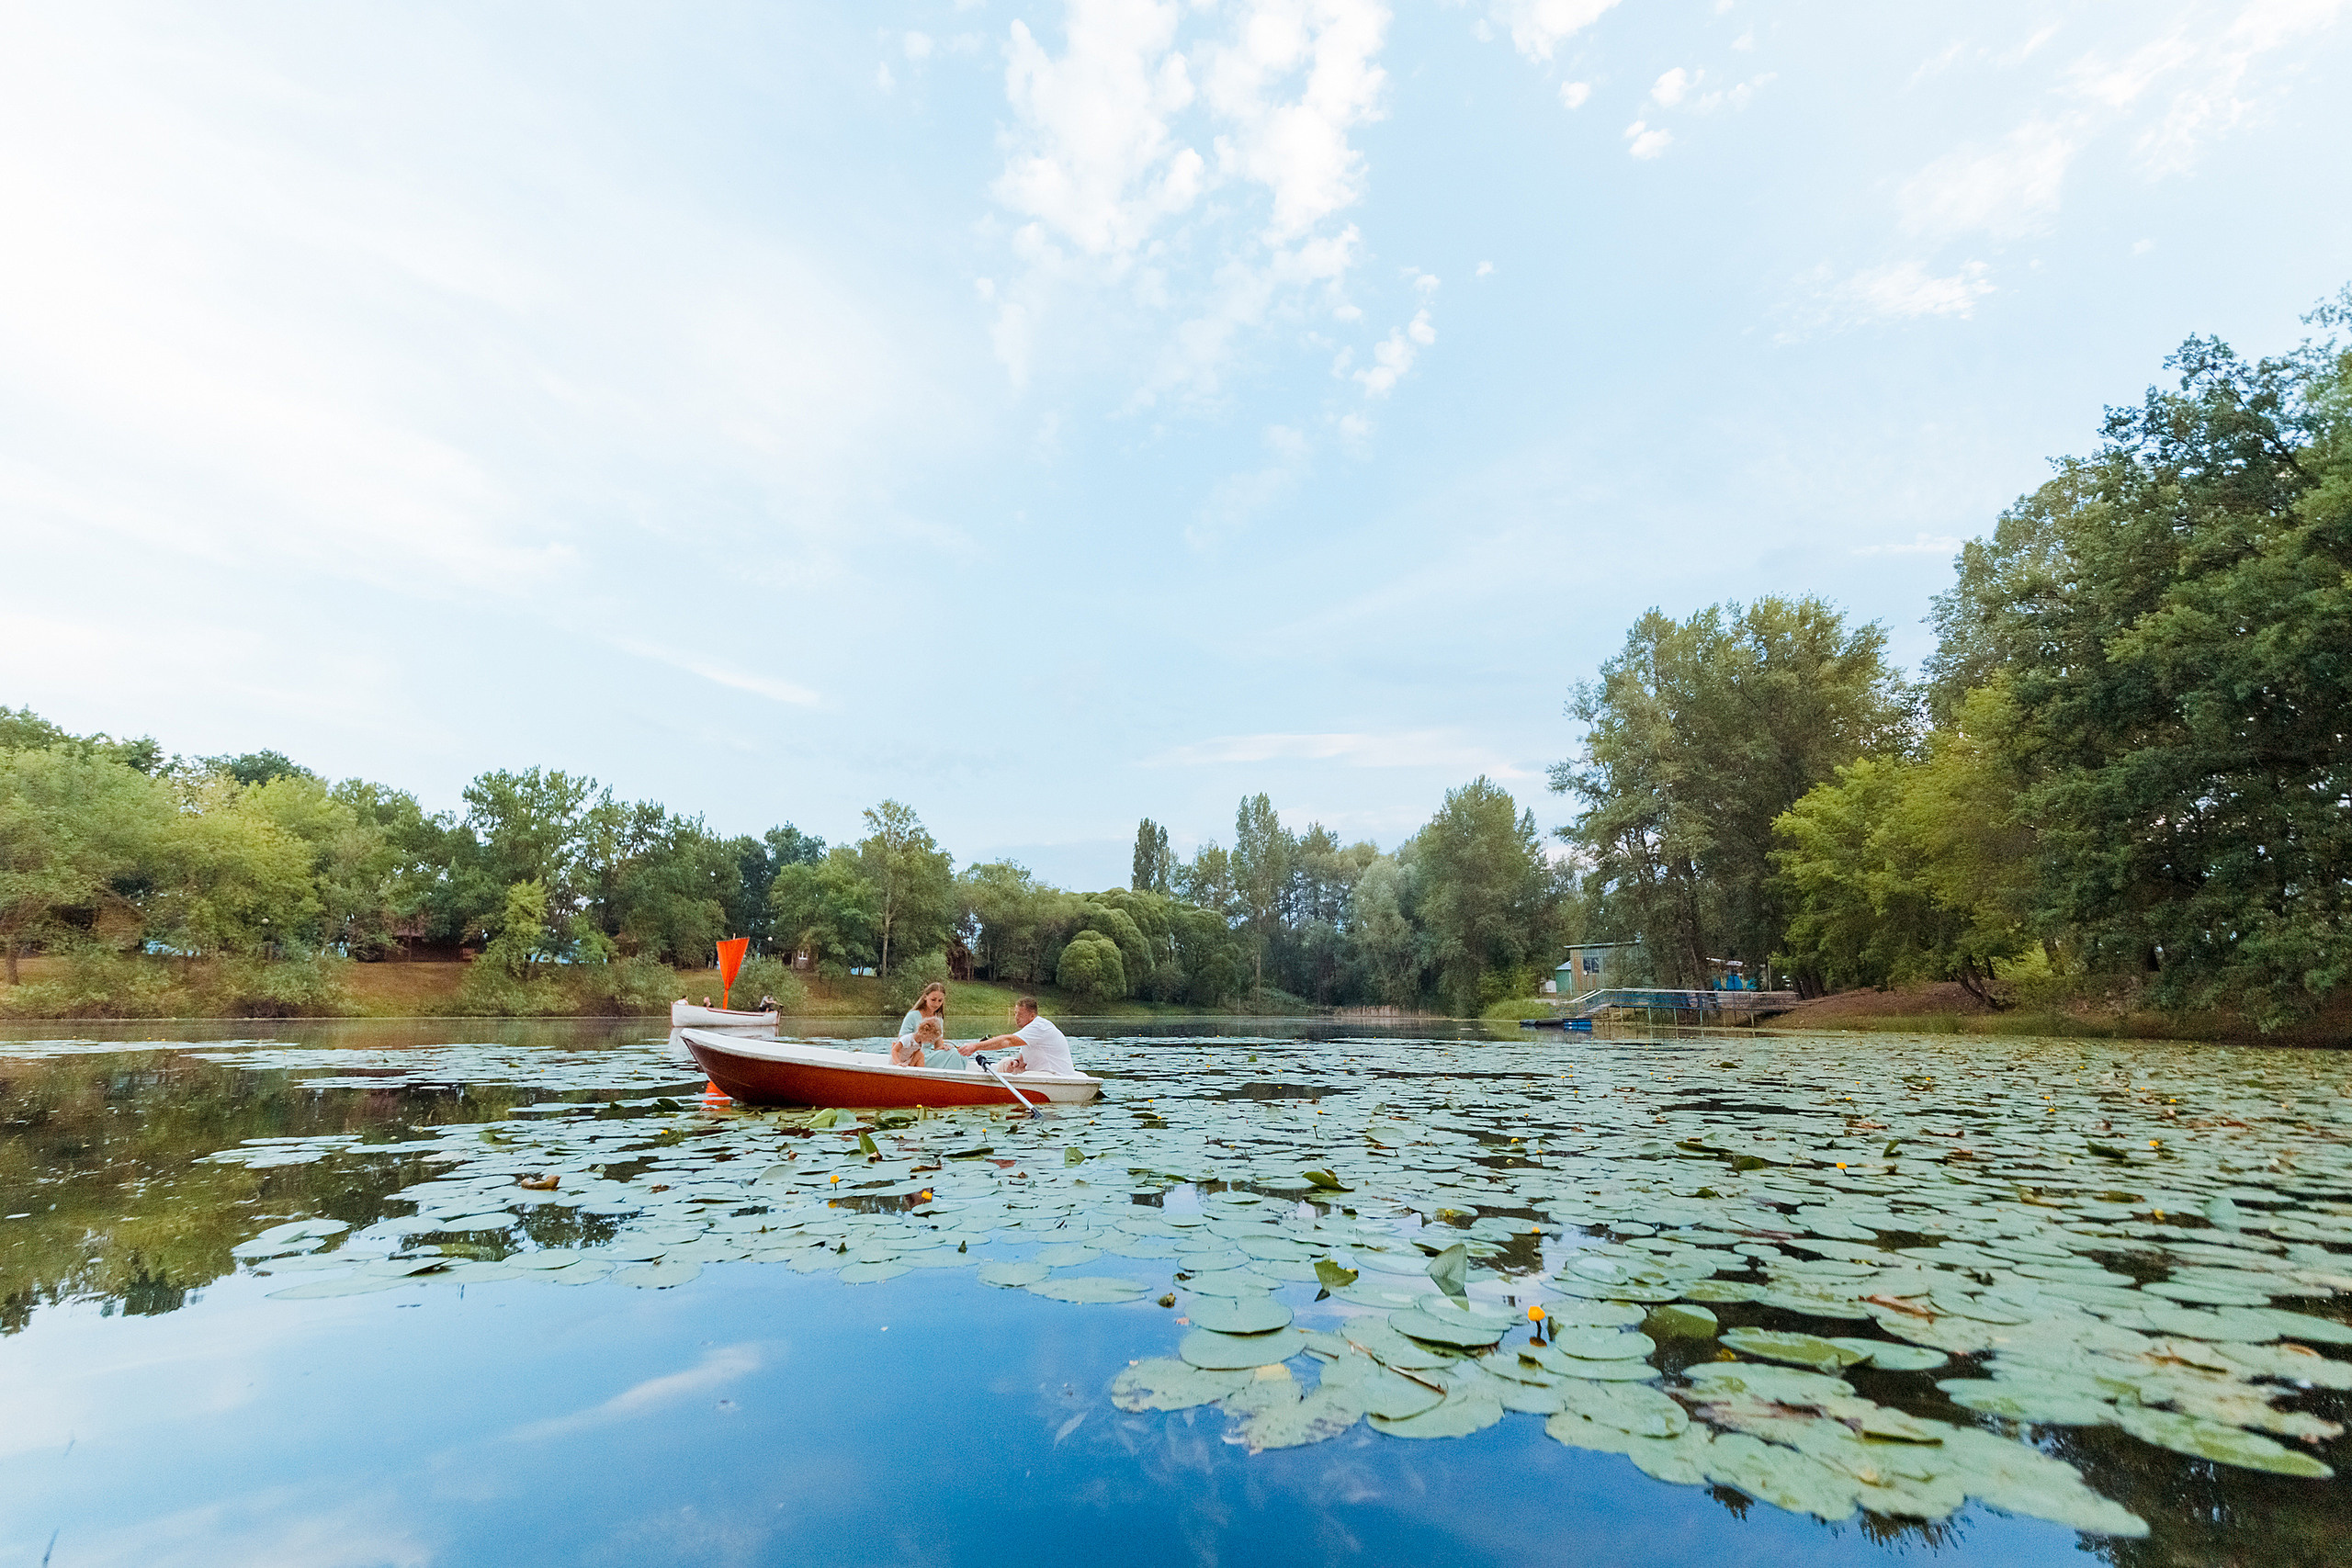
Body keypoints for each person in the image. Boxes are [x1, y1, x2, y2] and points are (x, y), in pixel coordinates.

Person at [960, 996, 1071, 1076]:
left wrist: (975, 1046)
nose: (1016, 1017)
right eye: (1015, 1013)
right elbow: (1023, 1060)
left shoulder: (1039, 1026)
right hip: (1040, 1072)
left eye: (1020, 1014)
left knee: (1028, 1076)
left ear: (1032, 1015)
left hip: (1056, 1075)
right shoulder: (1028, 1031)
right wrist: (1016, 1062)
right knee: (1005, 1062)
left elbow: (1008, 1041)